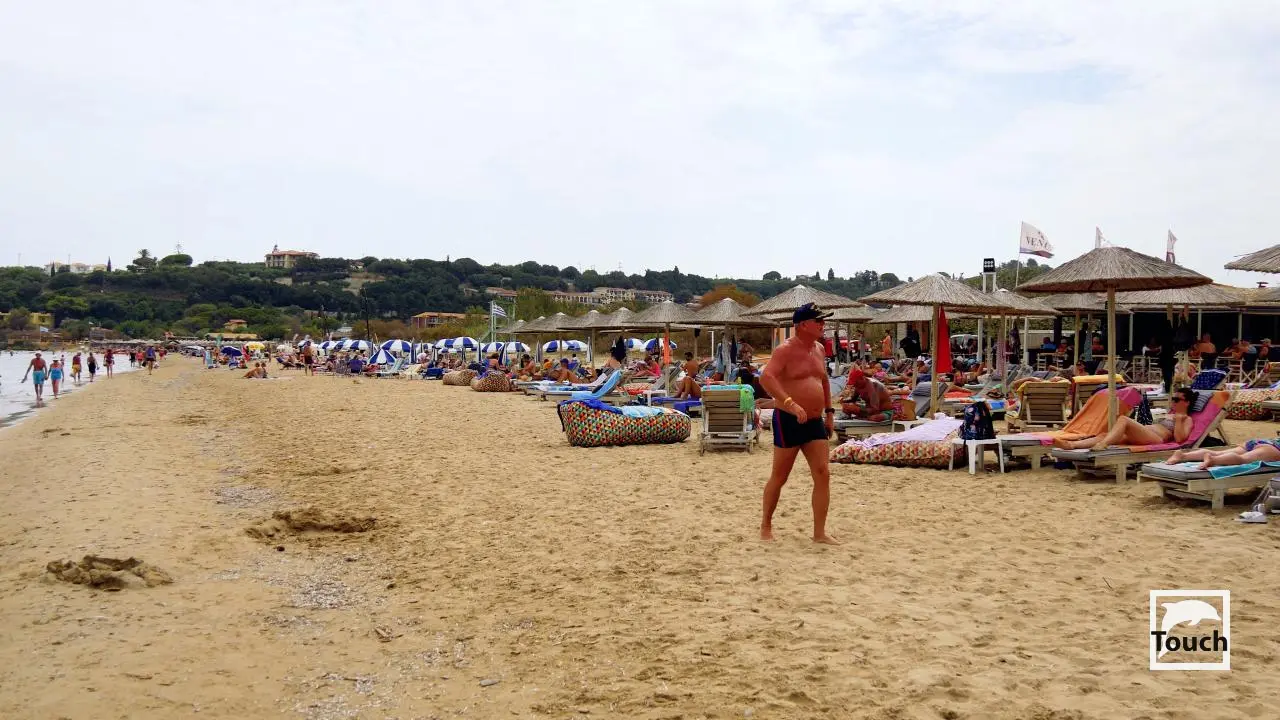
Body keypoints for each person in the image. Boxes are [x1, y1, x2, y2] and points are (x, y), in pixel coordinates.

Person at [758, 303, 838, 545]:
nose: (823, 325)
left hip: (814, 421)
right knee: (780, 476)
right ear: (803, 325)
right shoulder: (785, 350)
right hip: (788, 419)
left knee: (823, 474)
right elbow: (766, 377)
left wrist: (829, 412)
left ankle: (819, 533)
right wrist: (790, 403)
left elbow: (824, 381)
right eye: (818, 321)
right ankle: (765, 526)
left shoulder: (819, 349)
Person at [1053, 388, 1195, 451]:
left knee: (1123, 419)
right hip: (1144, 434)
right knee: (1104, 434)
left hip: (1156, 438)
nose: (1173, 402)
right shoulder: (1170, 414)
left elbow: (1180, 439)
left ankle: (1103, 445)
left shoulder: (1186, 419)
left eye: (1177, 400)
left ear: (1187, 402)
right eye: (1173, 399)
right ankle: (1072, 445)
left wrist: (1179, 420)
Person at [1169, 437, 1280, 470]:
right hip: (1272, 448)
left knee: (1217, 452)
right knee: (1242, 459)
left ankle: (1183, 455)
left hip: (1260, 441)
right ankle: (1213, 460)